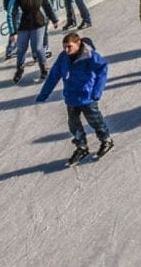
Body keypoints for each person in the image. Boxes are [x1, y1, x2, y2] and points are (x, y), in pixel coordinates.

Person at [36, 31, 113, 166]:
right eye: (64, 47)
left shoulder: (89, 56)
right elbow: (54, 75)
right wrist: (44, 94)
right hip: (71, 96)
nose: (66, 50)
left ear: (78, 43)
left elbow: (102, 69)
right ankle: (81, 147)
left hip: (87, 96)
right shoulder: (63, 57)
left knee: (94, 120)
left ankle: (106, 140)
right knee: (74, 124)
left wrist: (97, 91)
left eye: (69, 46)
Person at [11, 0, 55, 84]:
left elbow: (48, 6)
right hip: (23, 26)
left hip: (38, 24)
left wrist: (54, 19)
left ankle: (43, 68)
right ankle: (20, 69)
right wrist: (13, 31)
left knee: (38, 48)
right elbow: (13, 13)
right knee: (21, 49)